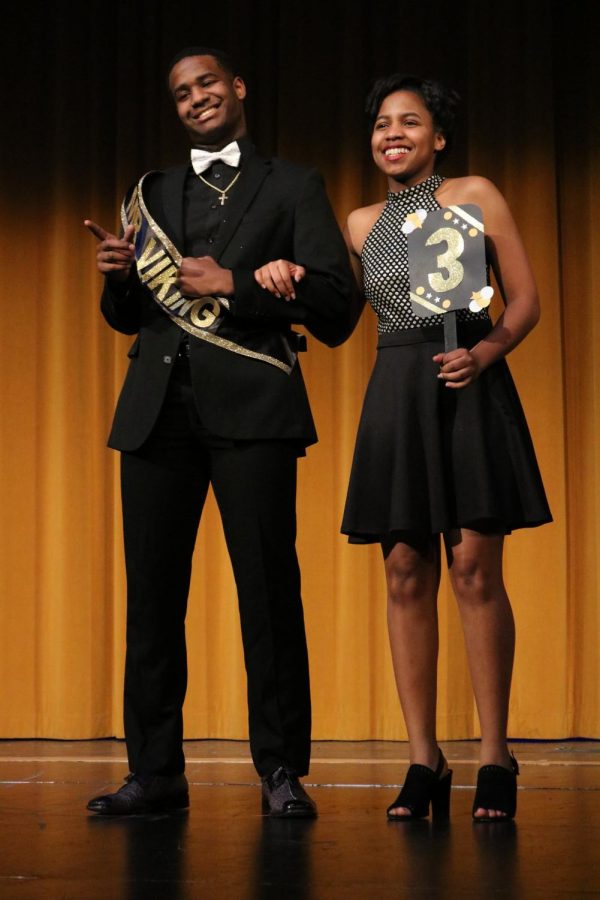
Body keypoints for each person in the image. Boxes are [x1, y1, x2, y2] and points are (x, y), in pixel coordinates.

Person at [254, 74, 552, 822]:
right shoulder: (357, 223)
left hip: (469, 382)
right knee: (404, 568)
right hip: (397, 390)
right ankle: (425, 759)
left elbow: (525, 300)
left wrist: (485, 356)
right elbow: (339, 306)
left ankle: (494, 754)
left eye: (410, 122)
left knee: (474, 566)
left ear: (438, 138)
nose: (393, 134)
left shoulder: (475, 194)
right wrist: (283, 274)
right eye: (382, 124)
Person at [83, 46, 355, 818]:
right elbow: (128, 318)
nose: (195, 98)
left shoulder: (294, 184)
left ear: (237, 87)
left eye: (206, 83)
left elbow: (336, 305)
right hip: (156, 411)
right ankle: (156, 771)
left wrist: (235, 282)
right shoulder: (153, 191)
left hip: (254, 411)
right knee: (153, 600)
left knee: (267, 592)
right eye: (180, 93)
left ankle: (279, 769)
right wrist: (117, 278)